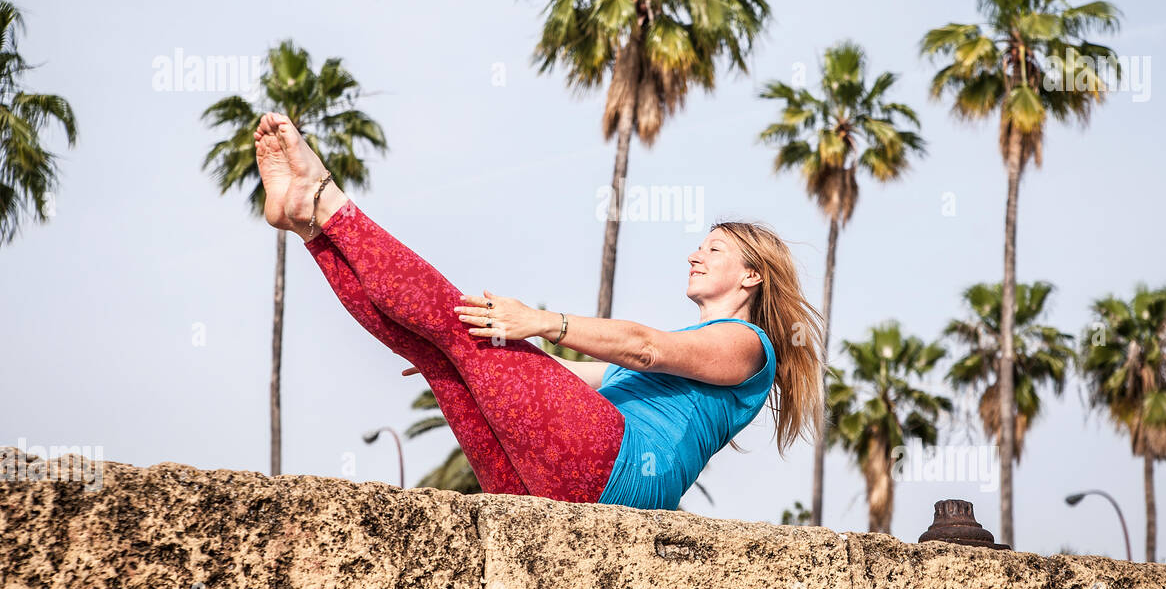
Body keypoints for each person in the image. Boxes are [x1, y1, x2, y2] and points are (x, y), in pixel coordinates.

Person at [253, 111, 826, 510]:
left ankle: (321, 199)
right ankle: (309, 225)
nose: (694, 254)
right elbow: (581, 375)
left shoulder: (749, 347)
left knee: (462, 326)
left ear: (751, 275)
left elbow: (644, 346)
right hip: (577, 482)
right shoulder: (694, 353)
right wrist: (477, 360)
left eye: (714, 248)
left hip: (621, 473)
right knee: (445, 349)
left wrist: (542, 322)